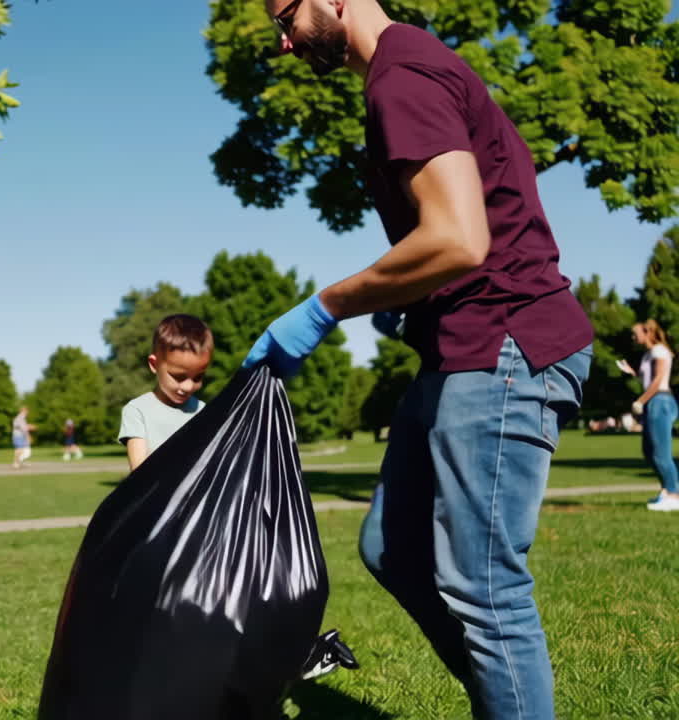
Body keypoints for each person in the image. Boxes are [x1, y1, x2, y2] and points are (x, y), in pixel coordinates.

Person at [252, 3, 594, 717]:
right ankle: (505, 701)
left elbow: (459, 240)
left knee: (482, 584)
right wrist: (408, 300)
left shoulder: (400, 78)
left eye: (285, 13)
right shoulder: (403, 72)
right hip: (457, 345)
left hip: (502, 343)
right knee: (394, 550)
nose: (282, 42)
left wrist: (326, 307)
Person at [119, 314, 213, 472]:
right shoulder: (137, 410)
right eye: (178, 377)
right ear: (154, 364)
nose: (188, 386)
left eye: (198, 377)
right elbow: (138, 473)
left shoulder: (203, 410)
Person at [617, 319, 678, 510]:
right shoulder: (648, 354)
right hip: (654, 402)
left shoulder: (659, 351)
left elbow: (659, 379)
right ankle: (667, 491)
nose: (633, 337)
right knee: (649, 452)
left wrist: (641, 400)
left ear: (647, 333)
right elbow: (649, 378)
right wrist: (633, 372)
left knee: (661, 453)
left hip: (660, 402)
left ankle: (674, 495)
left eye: (636, 334)